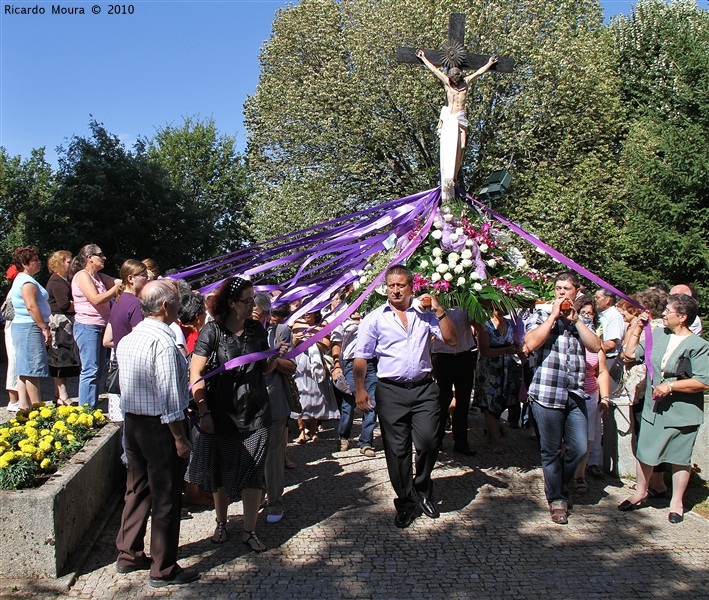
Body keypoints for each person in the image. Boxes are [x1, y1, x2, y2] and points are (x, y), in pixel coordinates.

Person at [353, 265, 458, 528]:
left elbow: (452, 340)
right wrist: (360, 389)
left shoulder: (425, 315)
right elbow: (362, 356)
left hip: (424, 388)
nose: (395, 290)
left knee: (428, 442)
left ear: (412, 286)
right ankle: (406, 500)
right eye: (391, 285)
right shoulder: (375, 318)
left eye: (400, 285)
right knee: (397, 451)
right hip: (391, 390)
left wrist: (439, 310)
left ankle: (422, 487)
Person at [186, 277, 287, 550]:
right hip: (221, 413)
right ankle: (221, 523)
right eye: (247, 300)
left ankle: (249, 530)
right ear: (231, 303)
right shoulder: (212, 332)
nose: (252, 304)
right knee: (220, 473)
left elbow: (265, 369)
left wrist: (275, 355)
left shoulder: (257, 329)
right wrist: (204, 410)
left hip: (255, 411)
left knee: (253, 473)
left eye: (253, 299)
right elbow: (196, 373)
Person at [114, 280, 198, 587]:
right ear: (165, 306)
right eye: (176, 301)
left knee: (136, 488)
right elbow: (170, 397)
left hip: (134, 422)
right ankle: (163, 567)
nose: (180, 306)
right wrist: (180, 438)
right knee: (166, 496)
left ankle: (129, 552)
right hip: (161, 426)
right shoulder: (163, 342)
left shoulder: (131, 338)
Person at [619, 294, 709, 523]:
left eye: (669, 311)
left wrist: (670, 386)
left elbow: (704, 381)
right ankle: (641, 491)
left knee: (679, 457)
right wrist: (638, 328)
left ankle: (676, 502)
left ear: (682, 317)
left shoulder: (699, 346)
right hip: (654, 408)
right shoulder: (658, 334)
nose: (665, 314)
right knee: (646, 452)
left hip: (682, 412)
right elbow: (629, 354)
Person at [524, 272, 601, 525]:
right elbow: (531, 342)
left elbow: (595, 346)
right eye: (557, 288)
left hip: (575, 391)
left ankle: (558, 482)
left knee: (578, 448)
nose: (561, 293)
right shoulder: (540, 314)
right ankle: (556, 497)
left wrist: (576, 321)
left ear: (576, 291)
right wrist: (554, 317)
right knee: (551, 450)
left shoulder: (583, 319)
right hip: (547, 392)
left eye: (566, 288)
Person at [416, 49, 498, 200]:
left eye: (456, 78)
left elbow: (479, 73)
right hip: (450, 117)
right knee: (449, 147)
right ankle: (448, 178)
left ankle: (454, 175)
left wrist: (489, 63)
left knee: (461, 146)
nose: (454, 81)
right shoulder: (447, 83)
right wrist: (423, 58)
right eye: (452, 78)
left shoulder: (465, 83)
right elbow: (434, 70)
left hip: (460, 117)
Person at [252, 293, 295, 523]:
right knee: (251, 454)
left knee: (272, 457)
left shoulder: (280, 333)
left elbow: (291, 367)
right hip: (248, 405)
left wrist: (272, 358)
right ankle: (256, 494)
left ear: (268, 315)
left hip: (274, 402)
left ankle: (275, 502)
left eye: (257, 313)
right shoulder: (239, 333)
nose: (253, 317)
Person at [71, 244, 119, 407]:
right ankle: (86, 410)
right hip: (87, 327)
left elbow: (120, 282)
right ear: (89, 257)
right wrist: (116, 289)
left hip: (100, 326)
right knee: (90, 369)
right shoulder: (83, 276)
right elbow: (96, 299)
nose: (104, 257)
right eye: (101, 254)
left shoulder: (98, 276)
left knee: (97, 371)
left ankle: (91, 406)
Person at [572, 296, 611, 493]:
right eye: (583, 313)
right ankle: (564, 473)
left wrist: (605, 398)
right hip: (570, 393)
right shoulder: (569, 336)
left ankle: (580, 475)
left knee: (586, 438)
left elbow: (602, 371)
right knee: (567, 439)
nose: (587, 317)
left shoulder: (595, 340)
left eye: (590, 313)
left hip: (590, 394)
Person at [474, 308, 524, 455]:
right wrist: (506, 351)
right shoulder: (485, 325)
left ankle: (490, 433)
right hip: (489, 370)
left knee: (502, 402)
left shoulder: (511, 324)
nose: (501, 311)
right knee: (491, 405)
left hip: (506, 369)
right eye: (498, 308)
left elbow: (518, 344)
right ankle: (496, 441)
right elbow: (484, 351)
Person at [9, 246, 52, 410]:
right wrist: (44, 327)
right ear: (25, 263)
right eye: (35, 260)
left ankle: (25, 406)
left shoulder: (21, 279)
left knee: (24, 368)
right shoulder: (27, 282)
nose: (39, 262)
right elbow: (31, 307)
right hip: (29, 327)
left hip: (23, 326)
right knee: (33, 369)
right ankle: (37, 407)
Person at [331, 311, 378, 457]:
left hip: (372, 362)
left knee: (372, 402)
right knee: (349, 401)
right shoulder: (342, 316)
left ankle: (366, 442)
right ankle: (344, 437)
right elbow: (337, 343)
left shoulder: (373, 313)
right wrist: (337, 365)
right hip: (351, 362)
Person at [432, 306, 477, 455]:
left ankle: (461, 442)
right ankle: (437, 440)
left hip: (464, 356)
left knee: (463, 401)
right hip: (444, 357)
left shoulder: (465, 304)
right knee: (442, 400)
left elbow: (478, 324)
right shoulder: (437, 305)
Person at [291, 310, 339, 444]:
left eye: (310, 312)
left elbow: (326, 346)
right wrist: (296, 339)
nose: (306, 314)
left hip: (315, 365)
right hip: (300, 363)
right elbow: (290, 344)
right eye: (306, 312)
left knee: (316, 396)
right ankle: (301, 432)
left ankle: (314, 431)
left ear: (315, 314)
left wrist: (314, 339)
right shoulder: (296, 324)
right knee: (301, 396)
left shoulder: (323, 325)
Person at [45, 251, 81, 405]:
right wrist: (79, 304)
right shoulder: (57, 281)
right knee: (60, 359)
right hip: (60, 324)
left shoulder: (62, 279)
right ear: (59, 263)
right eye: (68, 261)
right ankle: (62, 395)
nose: (71, 264)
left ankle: (57, 394)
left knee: (61, 359)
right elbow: (64, 304)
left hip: (63, 322)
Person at [3, 265, 21, 412]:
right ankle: (13, 399)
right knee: (14, 363)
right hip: (13, 329)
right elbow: (8, 315)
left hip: (14, 329)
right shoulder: (14, 292)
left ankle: (18, 398)